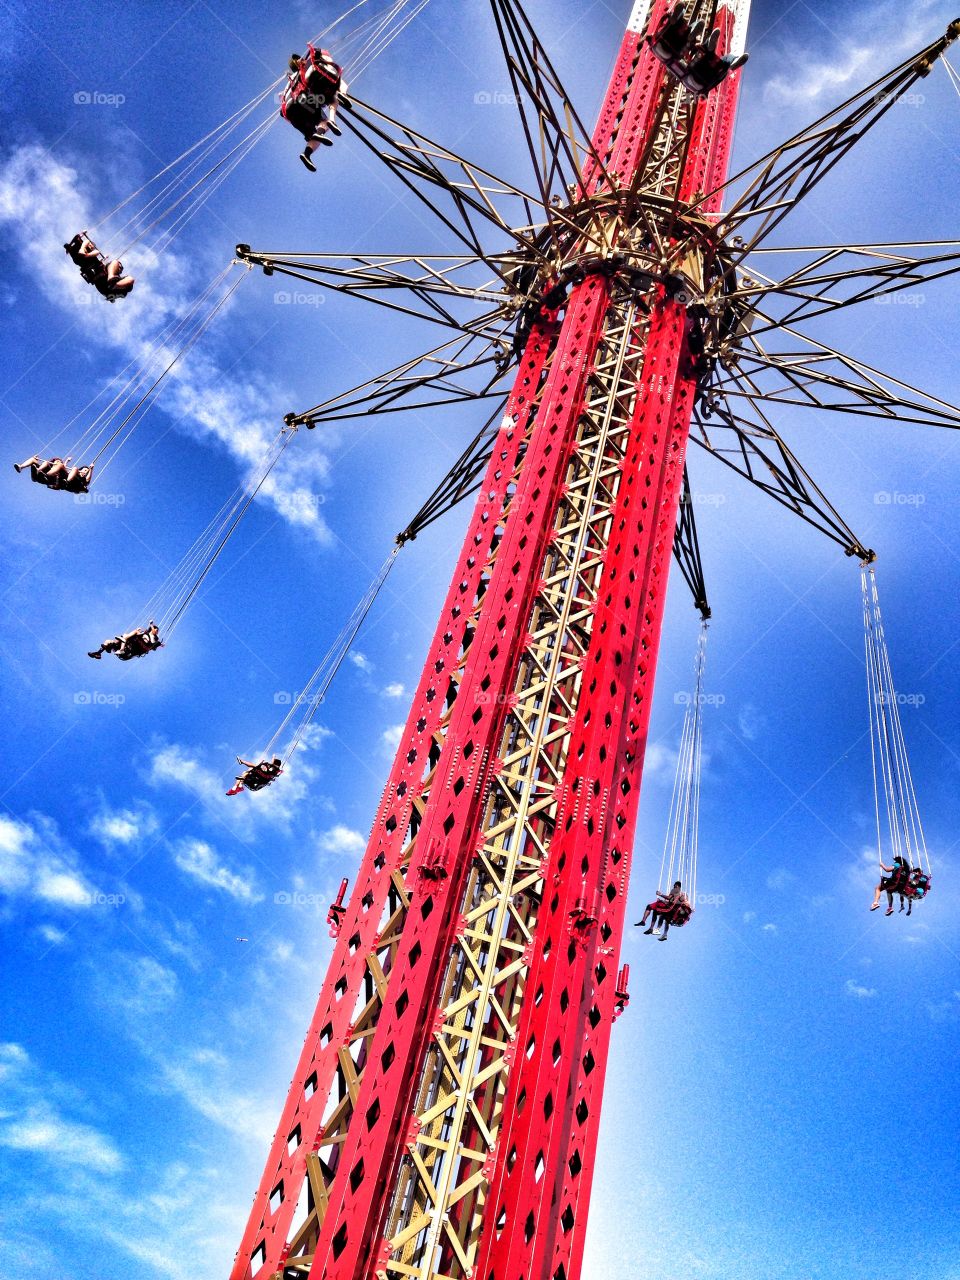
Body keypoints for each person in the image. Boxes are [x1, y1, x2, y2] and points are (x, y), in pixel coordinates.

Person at [282, 47, 347, 172]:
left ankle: (306, 154)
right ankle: (332, 120)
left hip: (293, 112)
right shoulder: (305, 69)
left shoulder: (289, 83)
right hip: (305, 101)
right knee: (332, 101)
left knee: (314, 135)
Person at [88, 621, 162, 661]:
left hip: (129, 652)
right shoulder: (144, 633)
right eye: (156, 629)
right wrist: (139, 632)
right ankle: (98, 653)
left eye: (156, 630)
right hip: (126, 648)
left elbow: (154, 645)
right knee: (108, 641)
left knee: (129, 634)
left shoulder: (154, 639)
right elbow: (140, 634)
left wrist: (151, 625)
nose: (156, 630)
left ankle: (122, 643)